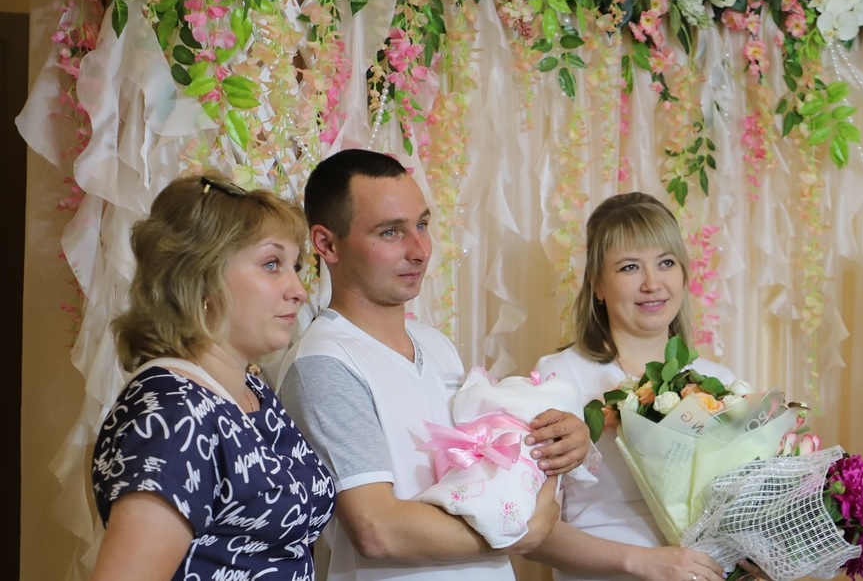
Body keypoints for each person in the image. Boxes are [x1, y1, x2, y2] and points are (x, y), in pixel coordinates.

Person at [279, 149, 591, 581]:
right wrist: (516, 531)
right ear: (326, 244)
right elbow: (377, 529)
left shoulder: (436, 343)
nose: (420, 250)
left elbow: (485, 473)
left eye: (422, 225)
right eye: (391, 232)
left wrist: (557, 440)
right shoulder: (324, 361)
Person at [90, 174, 335, 580]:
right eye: (271, 265)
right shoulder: (175, 414)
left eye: (294, 267)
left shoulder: (251, 390)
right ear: (200, 277)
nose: (298, 290)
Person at [529, 192, 731, 581]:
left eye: (666, 262)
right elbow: (531, 532)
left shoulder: (720, 382)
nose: (652, 283)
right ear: (597, 285)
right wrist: (644, 561)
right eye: (630, 267)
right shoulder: (560, 376)